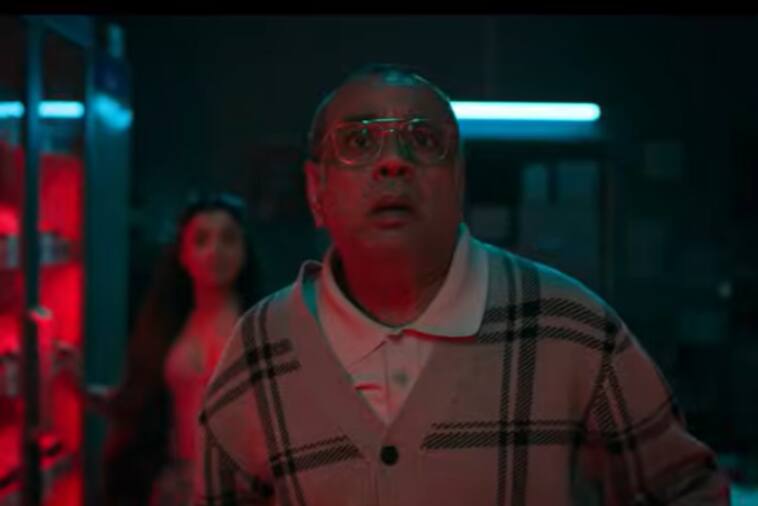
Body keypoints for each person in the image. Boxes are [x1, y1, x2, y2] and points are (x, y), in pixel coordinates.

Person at [194, 65, 730, 505]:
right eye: (359, 140)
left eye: (423, 140)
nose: (393, 162)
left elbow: (687, 490)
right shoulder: (263, 344)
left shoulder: (572, 328)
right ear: (317, 189)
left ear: (458, 179)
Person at [63, 192, 259, 505]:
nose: (215, 251)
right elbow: (136, 403)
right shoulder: (166, 325)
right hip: (177, 485)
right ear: (183, 254)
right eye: (202, 240)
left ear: (244, 250)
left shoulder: (263, 327)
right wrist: (84, 388)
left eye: (228, 239)